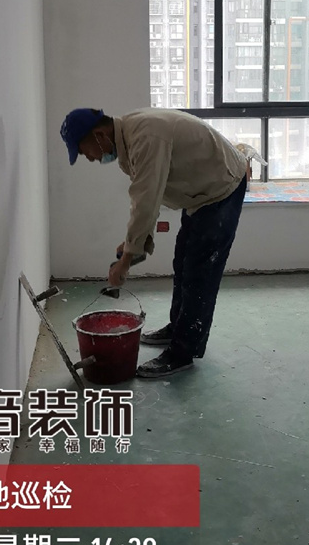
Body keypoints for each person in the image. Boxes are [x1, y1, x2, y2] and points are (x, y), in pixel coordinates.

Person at [60, 107, 248, 378]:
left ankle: (182, 352)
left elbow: (146, 200)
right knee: (182, 262)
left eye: (83, 150)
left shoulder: (145, 138)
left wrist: (126, 260)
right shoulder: (128, 141)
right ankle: (177, 329)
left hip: (220, 187)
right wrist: (133, 245)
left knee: (199, 273)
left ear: (99, 135)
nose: (88, 158)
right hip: (200, 192)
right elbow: (150, 195)